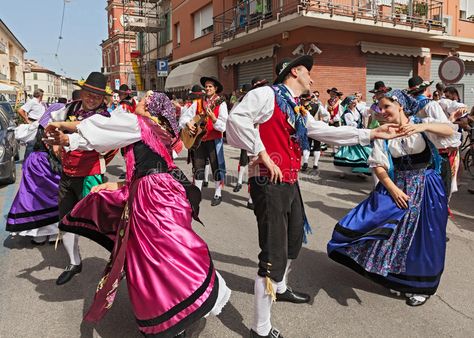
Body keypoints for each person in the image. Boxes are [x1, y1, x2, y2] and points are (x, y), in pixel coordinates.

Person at [226, 55, 403, 338]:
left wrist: (370, 134)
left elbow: (322, 131)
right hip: (269, 182)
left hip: (289, 181)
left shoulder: (296, 106)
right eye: (308, 72)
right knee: (272, 255)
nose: (312, 78)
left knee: (294, 236)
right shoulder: (265, 94)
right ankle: (259, 329)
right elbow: (236, 119)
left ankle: (280, 289)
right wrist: (261, 153)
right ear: (294, 71)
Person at [45, 92, 230, 338]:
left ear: (152, 109)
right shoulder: (161, 128)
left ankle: (175, 312)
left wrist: (62, 126)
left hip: (153, 196)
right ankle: (180, 311)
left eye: (143, 101)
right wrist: (118, 184)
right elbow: (124, 148)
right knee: (169, 252)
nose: (137, 104)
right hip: (165, 190)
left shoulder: (138, 123)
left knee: (155, 255)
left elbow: (100, 127)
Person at [327, 89, 460, 307]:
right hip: (398, 186)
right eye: (379, 107)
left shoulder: (421, 124)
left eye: (386, 106)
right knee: (390, 232)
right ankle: (395, 276)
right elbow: (379, 166)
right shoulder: (384, 131)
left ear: (399, 105)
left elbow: (450, 131)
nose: (382, 110)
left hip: (427, 187)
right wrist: (393, 189)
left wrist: (422, 126)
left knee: (424, 237)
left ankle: (421, 287)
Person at [50, 72, 114, 285]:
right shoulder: (70, 108)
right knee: (65, 221)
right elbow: (52, 122)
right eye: (89, 93)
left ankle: (121, 260)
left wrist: (66, 138)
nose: (92, 98)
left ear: (103, 98)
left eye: (97, 96)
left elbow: (91, 141)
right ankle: (74, 262)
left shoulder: (104, 118)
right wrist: (55, 142)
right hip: (67, 174)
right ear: (83, 91)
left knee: (103, 222)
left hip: (90, 175)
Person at [6, 103, 64, 244]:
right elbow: (57, 152)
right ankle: (53, 233)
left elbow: (22, 135)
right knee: (54, 197)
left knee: (35, 198)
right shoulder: (56, 130)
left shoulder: (37, 126)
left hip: (35, 162)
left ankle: (39, 235)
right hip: (49, 164)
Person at [179, 76, 228, 206]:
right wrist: (188, 124)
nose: (207, 88)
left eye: (210, 86)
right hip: (199, 140)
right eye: (206, 86)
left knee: (216, 166)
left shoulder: (221, 103)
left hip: (214, 139)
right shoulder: (198, 103)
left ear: (215, 88)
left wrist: (214, 119)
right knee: (198, 166)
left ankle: (218, 193)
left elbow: (224, 126)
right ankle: (197, 193)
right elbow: (184, 118)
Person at [333, 95, 372, 176]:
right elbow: (350, 125)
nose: (354, 104)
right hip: (350, 134)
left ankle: (359, 170)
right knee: (347, 153)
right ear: (348, 104)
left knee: (359, 153)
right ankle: (343, 171)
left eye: (355, 102)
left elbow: (366, 112)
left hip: (358, 134)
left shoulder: (357, 110)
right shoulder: (347, 113)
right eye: (353, 103)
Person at [300, 92, 330, 171]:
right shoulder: (318, 106)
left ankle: (305, 162)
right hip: (316, 128)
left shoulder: (301, 106)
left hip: (305, 128)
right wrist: (323, 122)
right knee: (317, 146)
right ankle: (315, 164)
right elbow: (326, 115)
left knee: (306, 146)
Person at [233, 83, 253, 193]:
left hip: (255, 134)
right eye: (244, 94)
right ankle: (239, 181)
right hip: (244, 133)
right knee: (243, 158)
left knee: (254, 161)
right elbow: (233, 116)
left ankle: (251, 181)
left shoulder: (256, 102)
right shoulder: (239, 102)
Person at [17, 89, 46, 160]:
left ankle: (35, 161)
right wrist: (27, 120)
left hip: (40, 125)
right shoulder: (32, 101)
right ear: (40, 95)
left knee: (39, 144)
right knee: (31, 144)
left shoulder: (40, 103)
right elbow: (20, 110)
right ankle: (27, 161)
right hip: (33, 124)